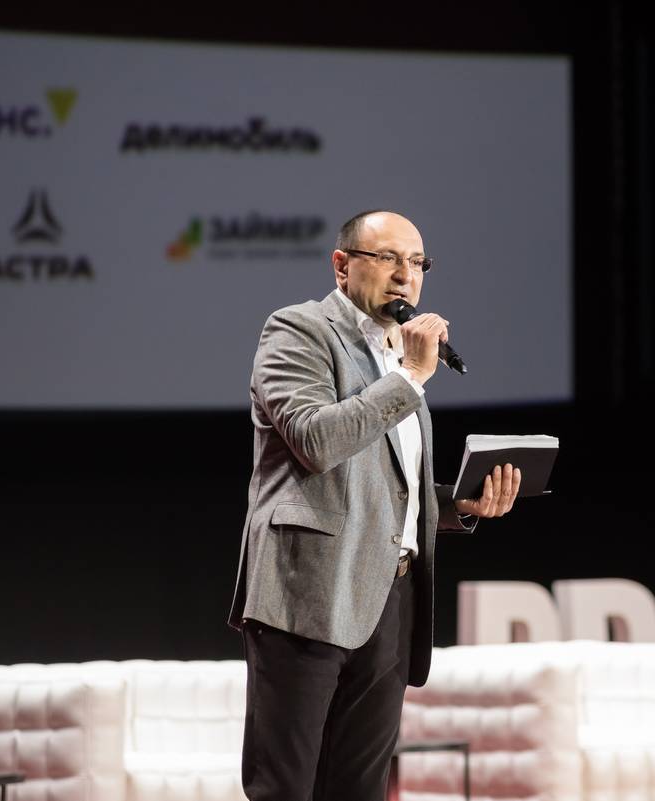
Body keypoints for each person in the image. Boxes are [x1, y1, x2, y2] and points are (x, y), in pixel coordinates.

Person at [226, 209, 521, 801]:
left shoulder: (396, 356)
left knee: (360, 790)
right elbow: (315, 440)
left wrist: (457, 504)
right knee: (286, 787)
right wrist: (410, 376)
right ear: (342, 265)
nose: (404, 275)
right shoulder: (298, 330)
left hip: (391, 601)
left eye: (417, 263)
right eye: (387, 258)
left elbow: (384, 488)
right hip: (308, 595)